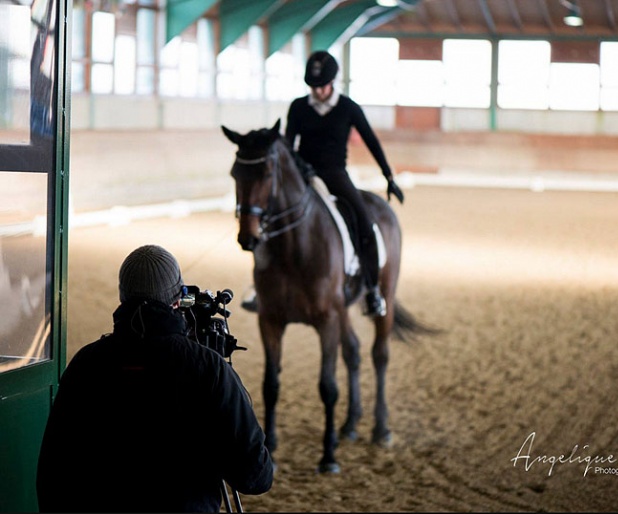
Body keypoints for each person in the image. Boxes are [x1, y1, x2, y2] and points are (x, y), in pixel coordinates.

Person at [36, 244, 273, 513]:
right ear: (177, 299)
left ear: (122, 296)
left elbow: (51, 477)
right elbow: (256, 477)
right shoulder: (208, 368)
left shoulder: (86, 364)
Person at [285, 49, 404, 317]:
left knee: (365, 223)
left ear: (333, 83)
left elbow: (371, 141)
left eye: (322, 86)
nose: (317, 92)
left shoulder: (348, 108)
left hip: (335, 175)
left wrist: (388, 176)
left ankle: (372, 291)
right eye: (313, 87)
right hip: (304, 177)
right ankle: (265, 287)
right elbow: (288, 144)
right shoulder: (298, 107)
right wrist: (297, 168)